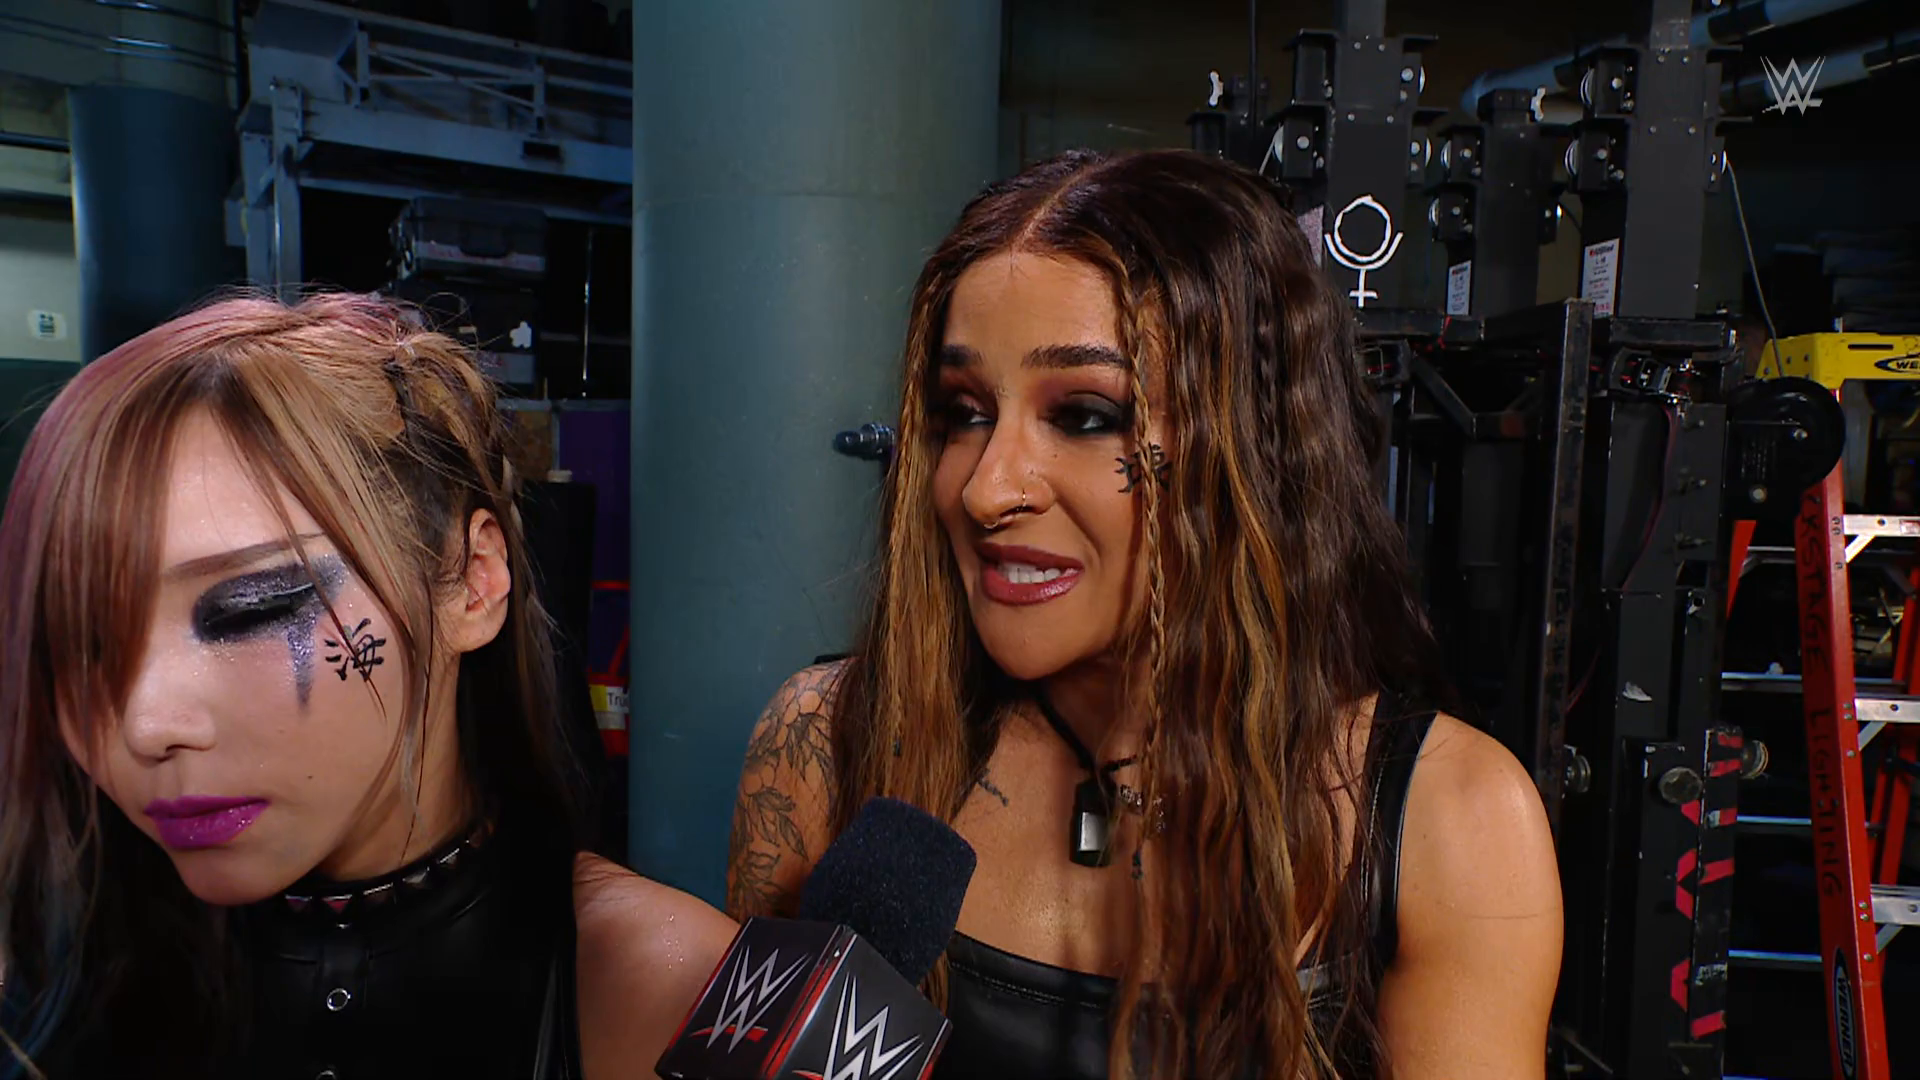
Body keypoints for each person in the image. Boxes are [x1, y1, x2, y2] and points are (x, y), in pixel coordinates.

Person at [725, 149, 1563, 1079]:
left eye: (1086, 415)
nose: (987, 488)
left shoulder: (1452, 818)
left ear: (1252, 447)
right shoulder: (825, 741)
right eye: (964, 411)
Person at [0, 293, 736, 1079]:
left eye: (252, 610)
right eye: (81, 643)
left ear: (472, 581)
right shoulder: (51, 967)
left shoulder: (681, 994)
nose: (143, 725)